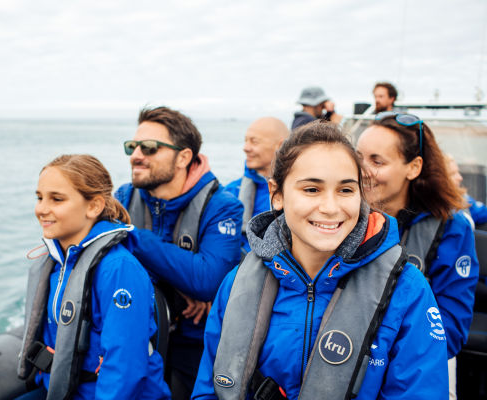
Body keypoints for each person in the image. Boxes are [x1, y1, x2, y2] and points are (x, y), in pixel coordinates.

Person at [192, 121, 448, 399]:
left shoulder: (406, 290)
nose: (330, 207)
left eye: (346, 190)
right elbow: (208, 389)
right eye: (311, 190)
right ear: (276, 194)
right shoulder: (238, 283)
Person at [17, 154, 171, 400]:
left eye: (56, 199)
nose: (42, 209)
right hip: (62, 389)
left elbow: (125, 366)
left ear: (94, 206)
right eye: (39, 197)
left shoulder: (119, 270)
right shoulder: (57, 263)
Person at [115, 106, 243, 399]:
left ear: (183, 157)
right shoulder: (123, 196)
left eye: (149, 148)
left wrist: (132, 234)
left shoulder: (222, 206)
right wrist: (180, 279)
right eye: (132, 147)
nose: (136, 155)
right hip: (137, 335)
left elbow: (208, 281)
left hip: (194, 342)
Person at [356, 113, 479, 399]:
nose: (362, 170)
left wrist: (380, 356)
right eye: (358, 157)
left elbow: (451, 327)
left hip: (420, 365)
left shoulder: (451, 228)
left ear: (413, 167)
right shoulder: (342, 217)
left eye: (377, 161)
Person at [226, 117, 290, 254]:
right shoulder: (230, 192)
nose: (246, 148)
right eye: (245, 141)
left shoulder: (297, 192)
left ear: (280, 145)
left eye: (254, 141)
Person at [445, 153, 487, 227]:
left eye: (458, 172)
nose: (460, 178)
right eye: (453, 174)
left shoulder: (462, 198)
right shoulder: (438, 209)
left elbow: (481, 212)